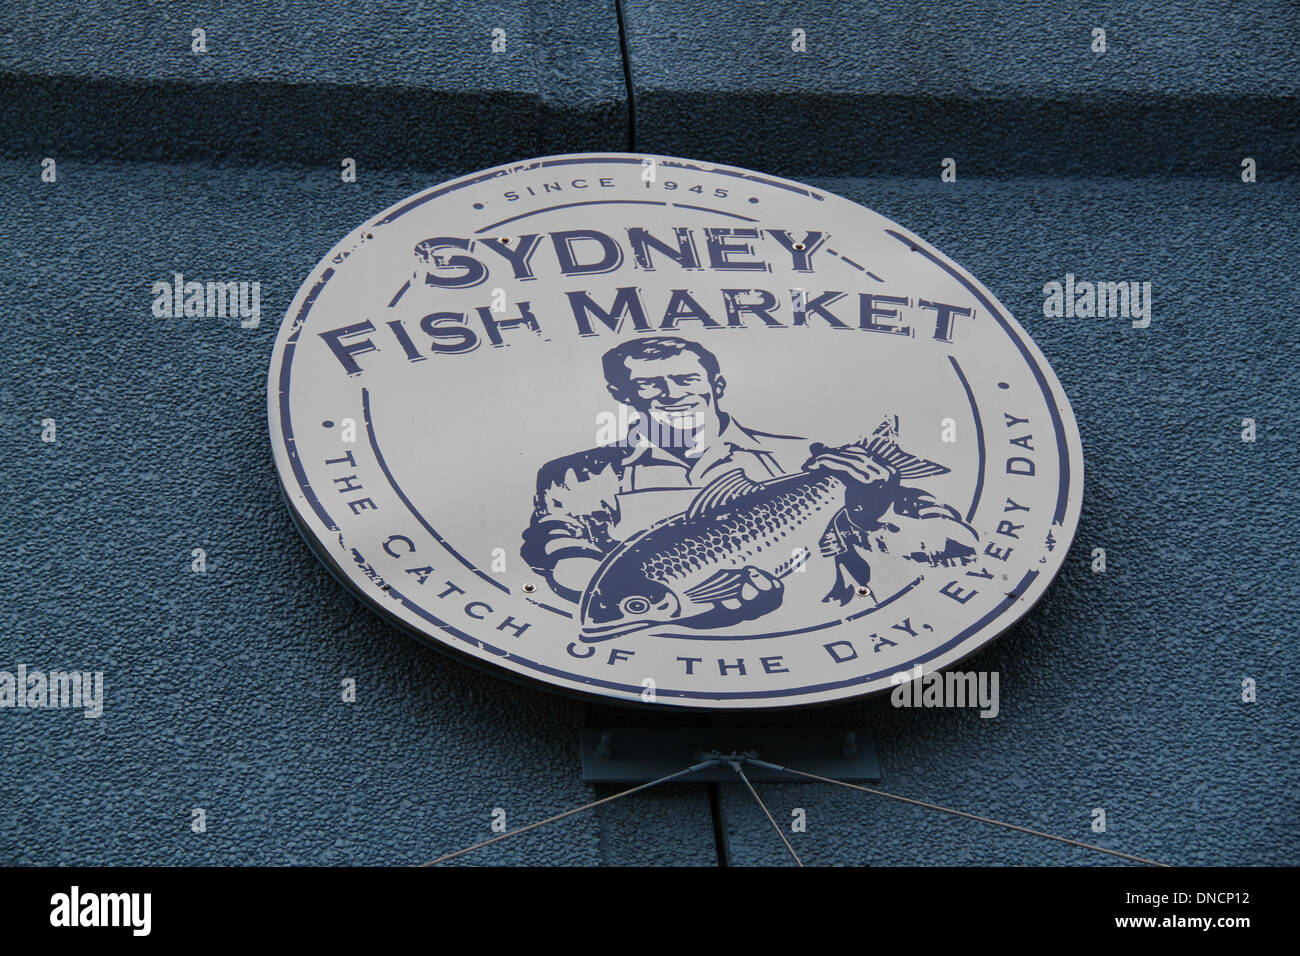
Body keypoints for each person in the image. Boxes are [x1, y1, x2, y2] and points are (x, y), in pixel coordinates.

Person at [521, 336, 977, 606]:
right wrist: (664, 599)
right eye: (648, 384)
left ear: (715, 385)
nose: (671, 393)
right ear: (622, 395)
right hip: (658, 643)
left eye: (685, 380)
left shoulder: (806, 458)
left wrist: (871, 505)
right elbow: (565, 557)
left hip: (813, 633)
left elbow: (952, 539)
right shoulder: (579, 474)